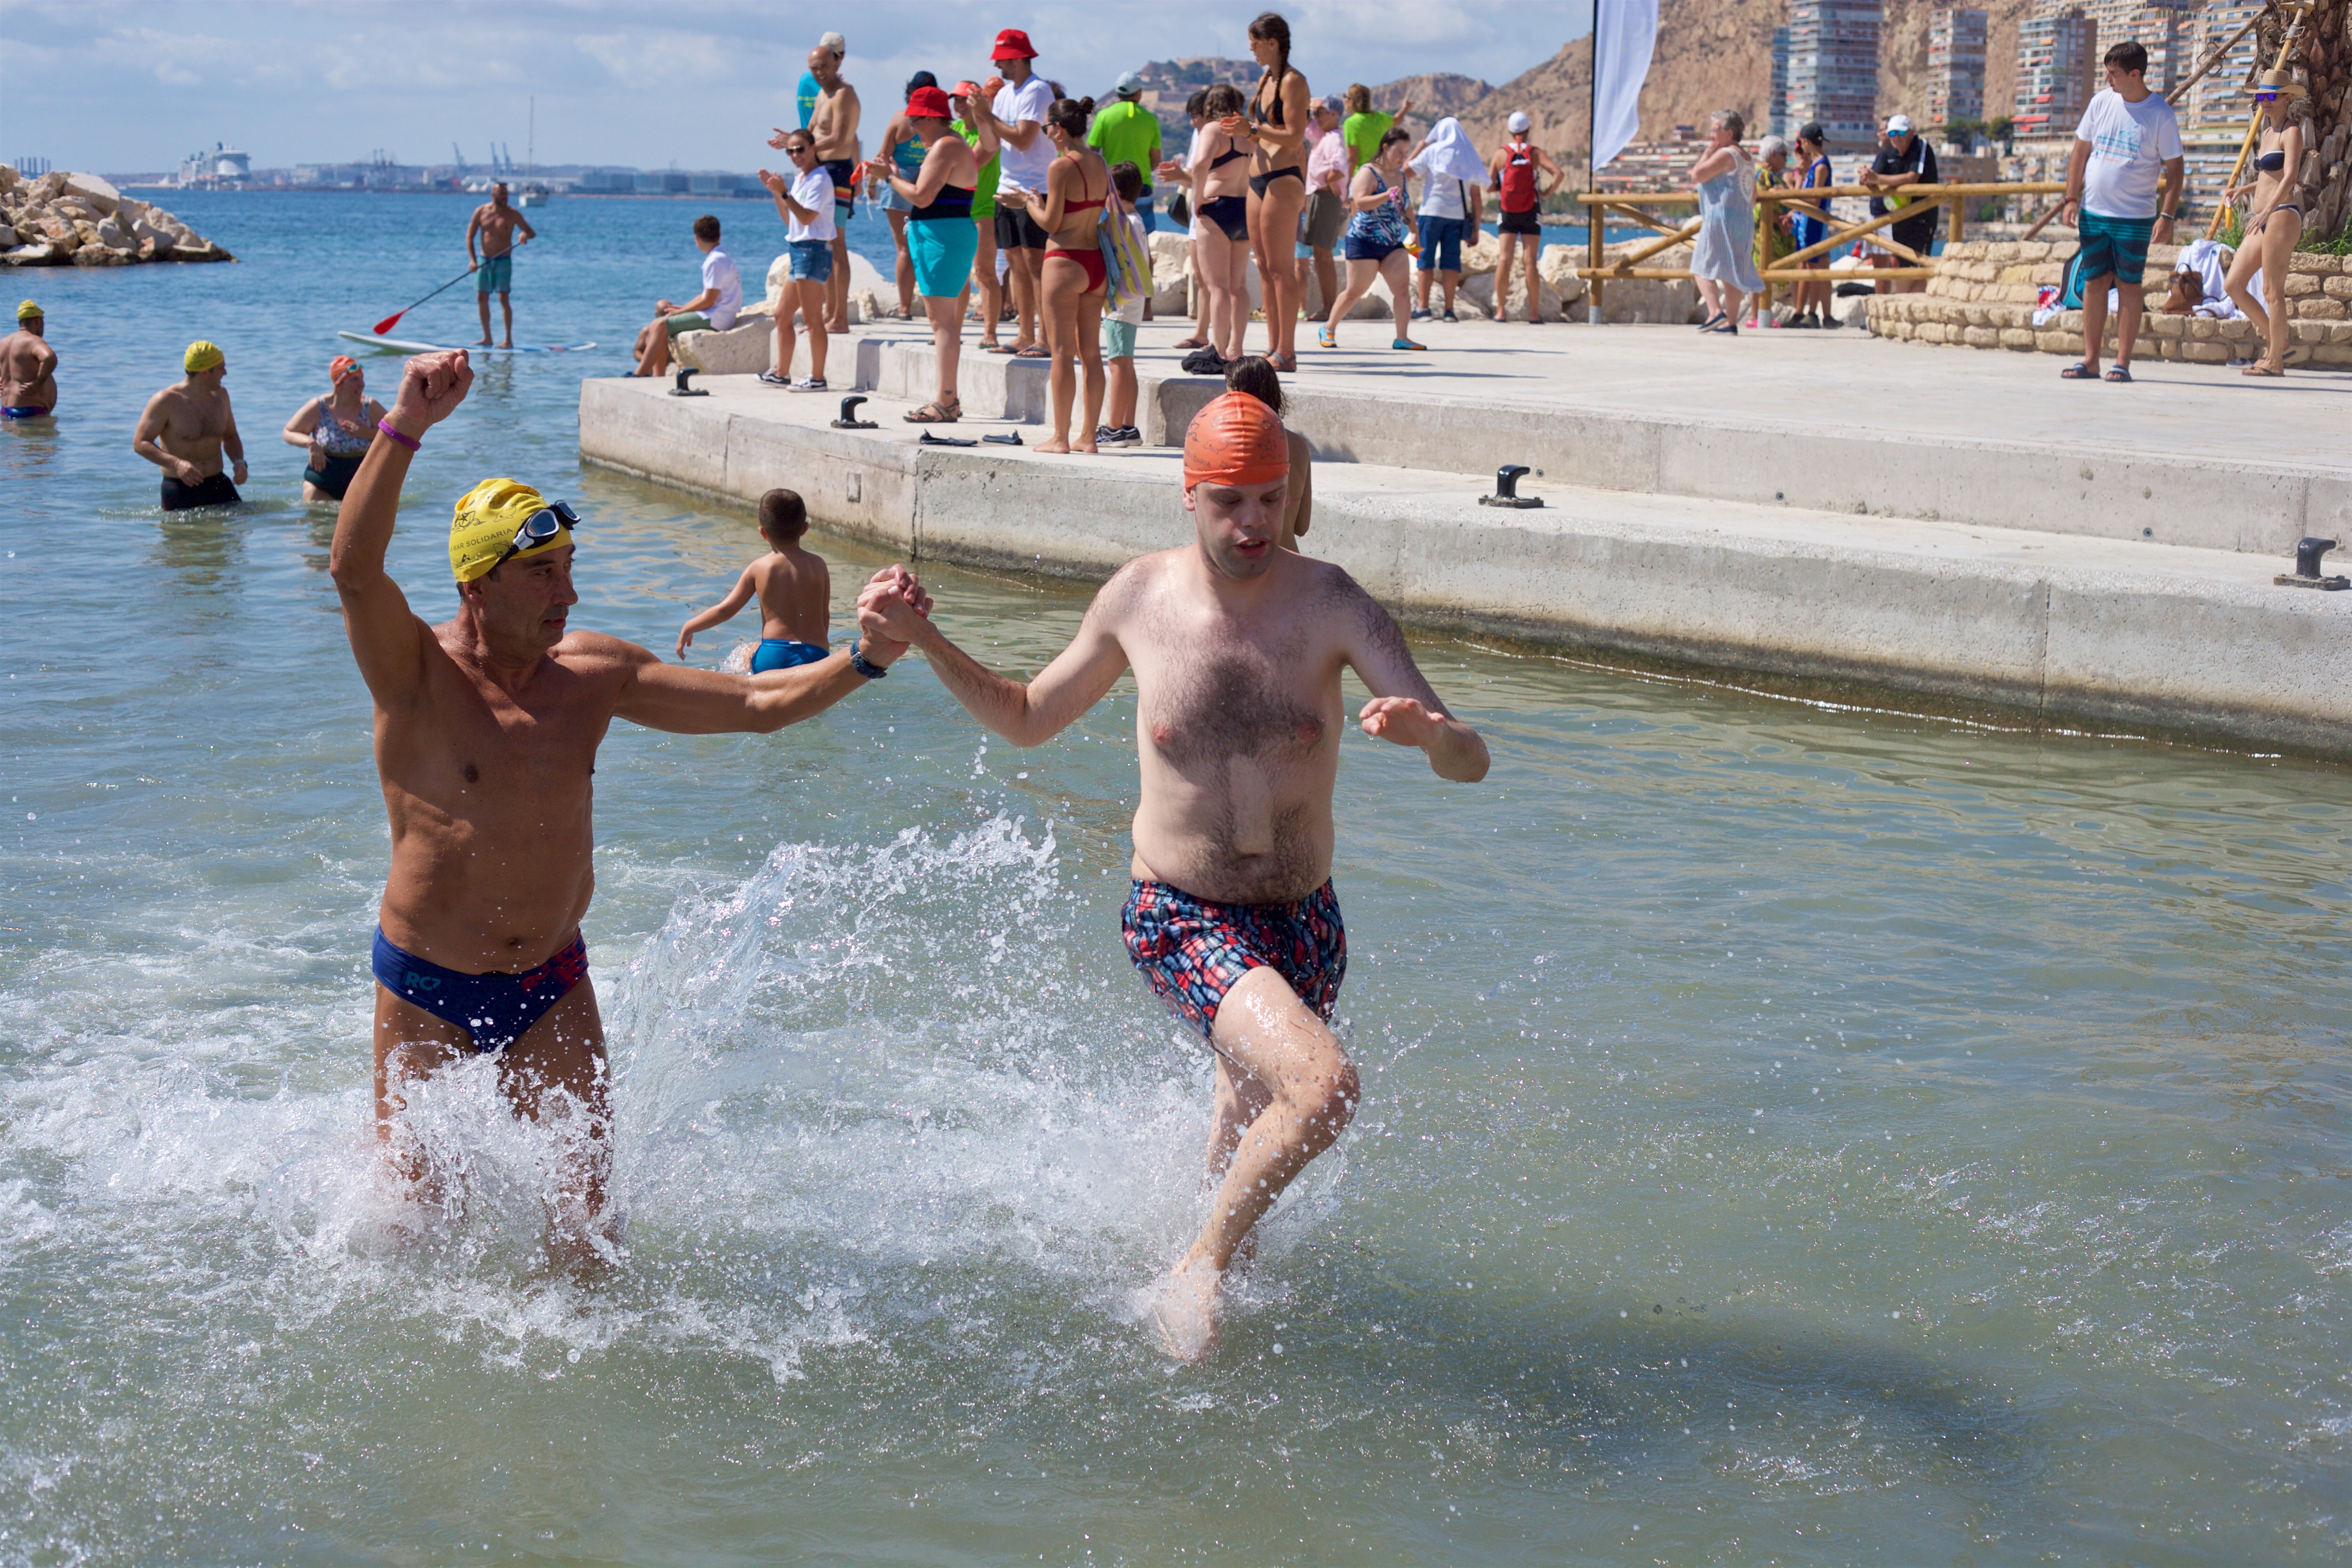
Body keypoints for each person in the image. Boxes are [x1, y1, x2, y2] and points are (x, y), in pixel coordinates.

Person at [852, 391, 1488, 1359]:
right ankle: (1197, 1267)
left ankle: (1205, 1292)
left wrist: (1432, 736)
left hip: (1305, 920)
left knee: (1251, 1109)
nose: (1253, 523)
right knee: (1322, 1088)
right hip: (1181, 914)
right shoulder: (1139, 599)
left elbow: (1470, 760)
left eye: (1270, 499)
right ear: (1189, 494)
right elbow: (1027, 716)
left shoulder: (1334, 604)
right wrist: (926, 639)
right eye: (1230, 501)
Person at [329, 350, 920, 1274]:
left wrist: (866, 657)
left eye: (571, 569)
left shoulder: (595, 674)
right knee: (415, 1226)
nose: (568, 594)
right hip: (426, 987)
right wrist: (404, 427)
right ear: (476, 584)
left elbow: (756, 707)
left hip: (548, 983)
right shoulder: (416, 675)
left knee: (593, 1230)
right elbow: (355, 569)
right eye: (543, 576)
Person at [2058, 40, 2183, 384]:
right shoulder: (2101, 102)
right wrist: (2071, 198)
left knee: (2129, 284)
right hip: (2094, 213)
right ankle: (2091, 360)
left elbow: (2176, 170)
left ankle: (2123, 363)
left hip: (2135, 217)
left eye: (2114, 73)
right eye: (2107, 71)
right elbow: (2080, 152)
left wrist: (2167, 216)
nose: (2108, 78)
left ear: (2135, 74)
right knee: (2095, 282)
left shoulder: (2160, 114)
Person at [872, 84, 987, 422]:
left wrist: (889, 178)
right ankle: (947, 399)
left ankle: (946, 401)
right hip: (940, 235)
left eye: (913, 121)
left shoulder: (946, 146)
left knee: (943, 324)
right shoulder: (946, 144)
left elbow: (921, 197)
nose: (909, 128)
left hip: (943, 237)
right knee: (943, 322)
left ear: (927, 118)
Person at [1022, 96, 1111, 454]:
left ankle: (1060, 437)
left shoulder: (1061, 167)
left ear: (1058, 130)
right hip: (1095, 263)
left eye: (1047, 128)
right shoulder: (1100, 162)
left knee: (1061, 352)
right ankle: (1089, 437)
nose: (1046, 134)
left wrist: (1029, 203)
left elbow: (1052, 222)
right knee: (1091, 354)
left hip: (1064, 260)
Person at [676, 488, 832, 670]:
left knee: (743, 653)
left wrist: (690, 626)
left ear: (763, 533)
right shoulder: (819, 565)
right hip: (816, 655)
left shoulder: (759, 568)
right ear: (805, 528)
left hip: (773, 654)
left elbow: (725, 611)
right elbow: (824, 616)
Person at [769, 46, 861, 336]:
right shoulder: (823, 94)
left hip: (837, 172)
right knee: (826, 243)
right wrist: (794, 143)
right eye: (814, 68)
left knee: (837, 244)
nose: (819, 73)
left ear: (838, 62)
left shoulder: (844, 94)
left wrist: (802, 148)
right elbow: (811, 132)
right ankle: (828, 312)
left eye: (823, 66)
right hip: (819, 170)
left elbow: (841, 138)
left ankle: (840, 317)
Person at [2223, 70, 2309, 377]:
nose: (2265, 102)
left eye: (2271, 96)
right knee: (2233, 284)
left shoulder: (2291, 132)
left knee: (2273, 290)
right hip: (2262, 218)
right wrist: (2242, 191)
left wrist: (2266, 211)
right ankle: (2279, 342)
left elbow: (2289, 177)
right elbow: (2265, 178)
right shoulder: (2267, 133)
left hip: (2282, 215)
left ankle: (2275, 361)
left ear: (2287, 97)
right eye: (2261, 96)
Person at [1240, 12, 1310, 371]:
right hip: (1258, 177)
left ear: (1273, 43)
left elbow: (1295, 136)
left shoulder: (1294, 82)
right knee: (1265, 267)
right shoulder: (1265, 79)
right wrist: (1247, 131)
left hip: (1283, 178)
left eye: (1255, 41)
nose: (1250, 47)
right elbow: (1263, 131)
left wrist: (1253, 130)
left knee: (1282, 268)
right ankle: (1273, 347)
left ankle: (1288, 351)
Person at [981, 29, 1055, 358]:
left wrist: (988, 116)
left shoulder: (1038, 90)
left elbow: (1024, 138)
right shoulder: (1005, 94)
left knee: (1036, 266)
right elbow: (991, 143)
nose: (997, 63)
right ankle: (1026, 333)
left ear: (1018, 57)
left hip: (1034, 188)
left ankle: (1047, 338)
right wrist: (980, 115)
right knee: (1016, 264)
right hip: (1007, 187)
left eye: (1002, 58)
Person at [1175, 83, 1255, 374]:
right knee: (1239, 286)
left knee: (1217, 286)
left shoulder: (1212, 129)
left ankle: (1219, 350)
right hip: (1243, 207)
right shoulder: (1249, 132)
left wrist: (1197, 198)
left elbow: (1200, 164)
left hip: (1216, 206)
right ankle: (1237, 348)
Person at [1320, 127, 1421, 351]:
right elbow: (1361, 202)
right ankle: (1329, 328)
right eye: (1399, 152)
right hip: (1364, 240)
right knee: (1355, 291)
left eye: (1406, 152)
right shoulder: (1368, 172)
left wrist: (1414, 231)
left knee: (1402, 289)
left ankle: (1402, 338)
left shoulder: (1401, 175)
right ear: (1385, 148)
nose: (1403, 158)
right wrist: (1386, 195)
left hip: (1393, 242)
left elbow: (1407, 206)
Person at [758, 133, 835, 392]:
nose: (795, 156)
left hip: (813, 250)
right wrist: (777, 194)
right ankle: (781, 373)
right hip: (799, 250)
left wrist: (785, 193)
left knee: (813, 319)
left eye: (800, 149)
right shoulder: (801, 179)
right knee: (782, 315)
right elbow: (790, 219)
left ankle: (817, 378)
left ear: (813, 148)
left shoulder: (821, 180)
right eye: (790, 152)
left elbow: (806, 218)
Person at [133, 340, 246, 511]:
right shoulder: (166, 401)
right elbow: (140, 443)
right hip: (180, 488)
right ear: (205, 373)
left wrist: (239, 461)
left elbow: (230, 436)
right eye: (220, 368)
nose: (225, 373)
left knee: (239, 531)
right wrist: (177, 464)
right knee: (182, 538)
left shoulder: (221, 396)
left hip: (218, 484)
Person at [629, 214, 742, 379]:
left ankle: (639, 375)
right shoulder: (722, 256)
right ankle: (657, 376)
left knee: (659, 325)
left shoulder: (715, 261)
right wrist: (683, 309)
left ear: (697, 239)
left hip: (718, 318)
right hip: (720, 314)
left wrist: (680, 313)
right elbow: (707, 294)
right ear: (719, 236)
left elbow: (708, 300)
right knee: (660, 325)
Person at [1222, 355, 1311, 550]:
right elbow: (1302, 527)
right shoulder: (1299, 445)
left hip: (1254, 564)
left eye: (1228, 396)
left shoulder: (1233, 446)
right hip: (1291, 563)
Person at [1688, 109, 1764, 336]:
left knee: (1700, 266)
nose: (1712, 134)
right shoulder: (1747, 158)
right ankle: (1730, 323)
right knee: (1734, 271)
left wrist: (1707, 154)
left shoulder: (1726, 155)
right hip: (1743, 222)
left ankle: (1715, 312)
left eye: (1715, 130)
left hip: (1721, 219)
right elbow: (1754, 195)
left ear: (1729, 133)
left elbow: (1697, 175)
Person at [1158, 90, 1222, 356]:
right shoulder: (1200, 134)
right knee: (1201, 275)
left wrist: (1179, 176)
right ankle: (1201, 333)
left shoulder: (1213, 134)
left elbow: (1201, 176)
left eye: (1194, 116)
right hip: (1199, 210)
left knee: (1212, 278)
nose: (1191, 122)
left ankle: (1215, 337)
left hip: (1209, 209)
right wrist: (1180, 175)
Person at [873, 73, 940, 320]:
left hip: (899, 184)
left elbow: (882, 155)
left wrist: (871, 183)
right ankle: (934, 305)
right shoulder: (938, 123)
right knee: (927, 247)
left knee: (903, 249)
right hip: (929, 182)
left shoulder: (900, 119)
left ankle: (904, 308)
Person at [1407, 117, 1486, 323]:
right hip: (1457, 218)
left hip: (1431, 213)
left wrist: (1418, 149)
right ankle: (1449, 310)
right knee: (1451, 264)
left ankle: (1423, 308)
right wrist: (1476, 229)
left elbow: (1405, 173)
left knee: (1424, 261)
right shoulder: (1469, 156)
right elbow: (1476, 197)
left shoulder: (1432, 152)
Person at [1487, 112, 1561, 326]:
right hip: (1531, 209)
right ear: (1528, 130)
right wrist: (1546, 193)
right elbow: (1559, 173)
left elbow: (1489, 184)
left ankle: (1501, 311)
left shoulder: (1501, 154)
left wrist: (1502, 187)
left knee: (1504, 259)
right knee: (1530, 262)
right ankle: (1534, 313)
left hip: (1507, 210)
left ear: (1510, 131)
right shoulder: (1535, 153)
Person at [281, 355, 387, 503]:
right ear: (339, 383)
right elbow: (289, 432)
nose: (362, 385)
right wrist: (310, 443)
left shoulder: (370, 407)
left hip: (362, 478)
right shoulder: (319, 407)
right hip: (324, 481)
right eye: (355, 380)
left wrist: (367, 433)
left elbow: (398, 435)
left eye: (362, 379)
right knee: (311, 494)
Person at [1096, 160, 1150, 449]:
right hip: (1134, 303)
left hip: (1121, 305)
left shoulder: (1123, 225)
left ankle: (1114, 427)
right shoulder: (1137, 222)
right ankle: (1128, 427)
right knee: (1126, 364)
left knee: (1117, 364)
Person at [951, 81, 1008, 352]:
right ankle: (954, 331)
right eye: (956, 100)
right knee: (959, 274)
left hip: (983, 209)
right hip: (958, 209)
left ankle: (990, 331)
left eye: (964, 100)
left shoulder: (988, 132)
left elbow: (968, 165)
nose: (959, 105)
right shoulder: (955, 130)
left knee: (985, 272)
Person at [1860, 114, 1938, 297]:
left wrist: (1878, 179)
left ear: (1911, 133)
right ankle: (1908, 305)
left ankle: (1905, 303)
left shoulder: (1921, 147)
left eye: (1901, 133)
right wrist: (1866, 177)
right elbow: (1871, 180)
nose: (1896, 137)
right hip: (1899, 217)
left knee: (1917, 261)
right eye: (1892, 133)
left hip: (1922, 215)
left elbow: (1912, 178)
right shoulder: (1888, 153)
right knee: (1904, 261)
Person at [1088, 72, 1163, 233]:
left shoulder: (1104, 116)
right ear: (1139, 93)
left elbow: (1092, 152)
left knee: (1110, 236)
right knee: (1142, 238)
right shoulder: (1150, 119)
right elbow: (1156, 160)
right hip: (1142, 187)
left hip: (1111, 188)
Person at [465, 182, 536, 350]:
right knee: (482, 298)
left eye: (506, 194)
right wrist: (473, 260)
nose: (505, 197)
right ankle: (487, 338)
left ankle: (508, 340)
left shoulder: (513, 214)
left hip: (504, 261)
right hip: (484, 260)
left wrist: (525, 235)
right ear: (493, 195)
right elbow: (470, 237)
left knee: (504, 298)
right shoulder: (481, 212)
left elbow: (532, 232)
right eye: (501, 194)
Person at [1301, 97, 1349, 321]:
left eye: (1321, 112)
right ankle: (1327, 306)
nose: (1316, 117)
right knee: (1320, 254)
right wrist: (1310, 107)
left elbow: (1339, 168)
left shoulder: (1334, 139)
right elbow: (1306, 126)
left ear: (1334, 115)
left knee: (1323, 254)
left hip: (1325, 197)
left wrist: (1330, 183)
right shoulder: (1324, 136)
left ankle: (1328, 307)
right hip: (1319, 196)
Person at [1787, 122, 1838, 328]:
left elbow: (1816, 199)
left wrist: (1793, 199)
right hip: (1808, 221)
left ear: (1807, 142)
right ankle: (1817, 314)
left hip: (1814, 222)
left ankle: (1810, 313)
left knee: (1813, 268)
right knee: (1815, 266)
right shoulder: (1813, 165)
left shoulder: (1821, 166)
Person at [1751, 134, 1795, 326]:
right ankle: (1757, 316)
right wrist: (1779, 221)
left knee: (1763, 273)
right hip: (1764, 233)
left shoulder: (1771, 175)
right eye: (1785, 155)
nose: (1786, 160)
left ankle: (1762, 315)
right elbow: (1760, 205)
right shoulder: (1761, 174)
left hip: (1773, 231)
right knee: (1760, 272)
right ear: (1774, 155)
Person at [0, 299, 57, 418]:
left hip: (5, 410)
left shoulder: (4, 342)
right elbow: (49, 358)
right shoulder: (32, 341)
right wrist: (38, 382)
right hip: (30, 411)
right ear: (38, 321)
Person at [1341, 83, 1411, 173]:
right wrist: (1405, 108)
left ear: (1351, 102)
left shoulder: (1351, 123)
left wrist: (1347, 182)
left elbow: (1353, 158)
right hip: (1380, 173)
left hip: (1361, 174)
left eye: (1345, 96)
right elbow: (1397, 120)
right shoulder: (1379, 117)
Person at [795, 30, 845, 130]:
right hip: (820, 144)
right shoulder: (838, 88)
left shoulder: (805, 80)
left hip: (807, 141)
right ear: (842, 57)